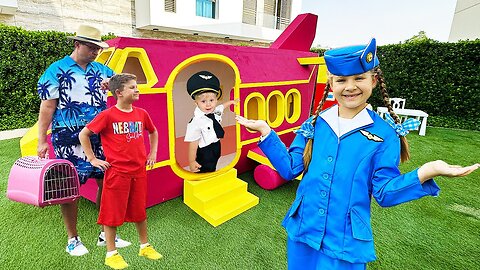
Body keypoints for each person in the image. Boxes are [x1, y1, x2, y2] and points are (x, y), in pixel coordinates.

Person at [236, 38, 479, 269]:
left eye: (359, 78)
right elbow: (290, 168)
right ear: (331, 85)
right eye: (341, 80)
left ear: (373, 81)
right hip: (303, 229)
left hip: (346, 240)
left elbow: (384, 193)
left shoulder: (385, 134)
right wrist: (267, 132)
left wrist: (428, 171)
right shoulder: (314, 124)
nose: (350, 87)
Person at [36, 24, 130, 256]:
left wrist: (114, 85)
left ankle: (106, 234)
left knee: (106, 182)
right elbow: (47, 107)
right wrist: (41, 140)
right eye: (91, 48)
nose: (95, 52)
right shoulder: (56, 70)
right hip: (67, 139)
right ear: (77, 44)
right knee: (70, 186)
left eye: (97, 48)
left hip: (100, 137)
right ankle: (72, 239)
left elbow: (128, 89)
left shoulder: (101, 69)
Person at [79, 73, 162, 269]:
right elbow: (85, 133)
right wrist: (92, 158)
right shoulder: (107, 115)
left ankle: (145, 245)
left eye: (136, 86)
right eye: (132, 87)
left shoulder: (141, 113)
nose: (137, 89)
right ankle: (111, 253)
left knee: (140, 210)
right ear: (119, 92)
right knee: (112, 213)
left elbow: (153, 131)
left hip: (139, 172)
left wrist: (153, 153)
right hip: (117, 173)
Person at [184, 70, 239, 172]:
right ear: (196, 103)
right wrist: (191, 161)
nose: (208, 105)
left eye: (211, 100)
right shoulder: (196, 122)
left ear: (216, 100)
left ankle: (212, 172)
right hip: (205, 150)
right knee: (205, 167)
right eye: (203, 101)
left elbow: (223, 106)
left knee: (214, 162)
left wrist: (231, 102)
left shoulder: (216, 110)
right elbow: (193, 143)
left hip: (216, 144)